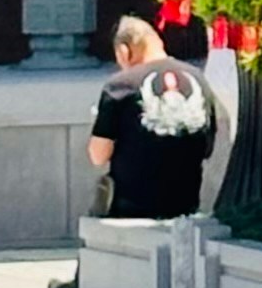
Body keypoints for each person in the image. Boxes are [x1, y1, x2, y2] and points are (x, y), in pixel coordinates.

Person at [87, 14, 216, 219]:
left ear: (124, 51)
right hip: (185, 205)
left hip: (132, 209)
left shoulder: (120, 85)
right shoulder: (199, 80)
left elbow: (98, 155)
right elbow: (207, 147)